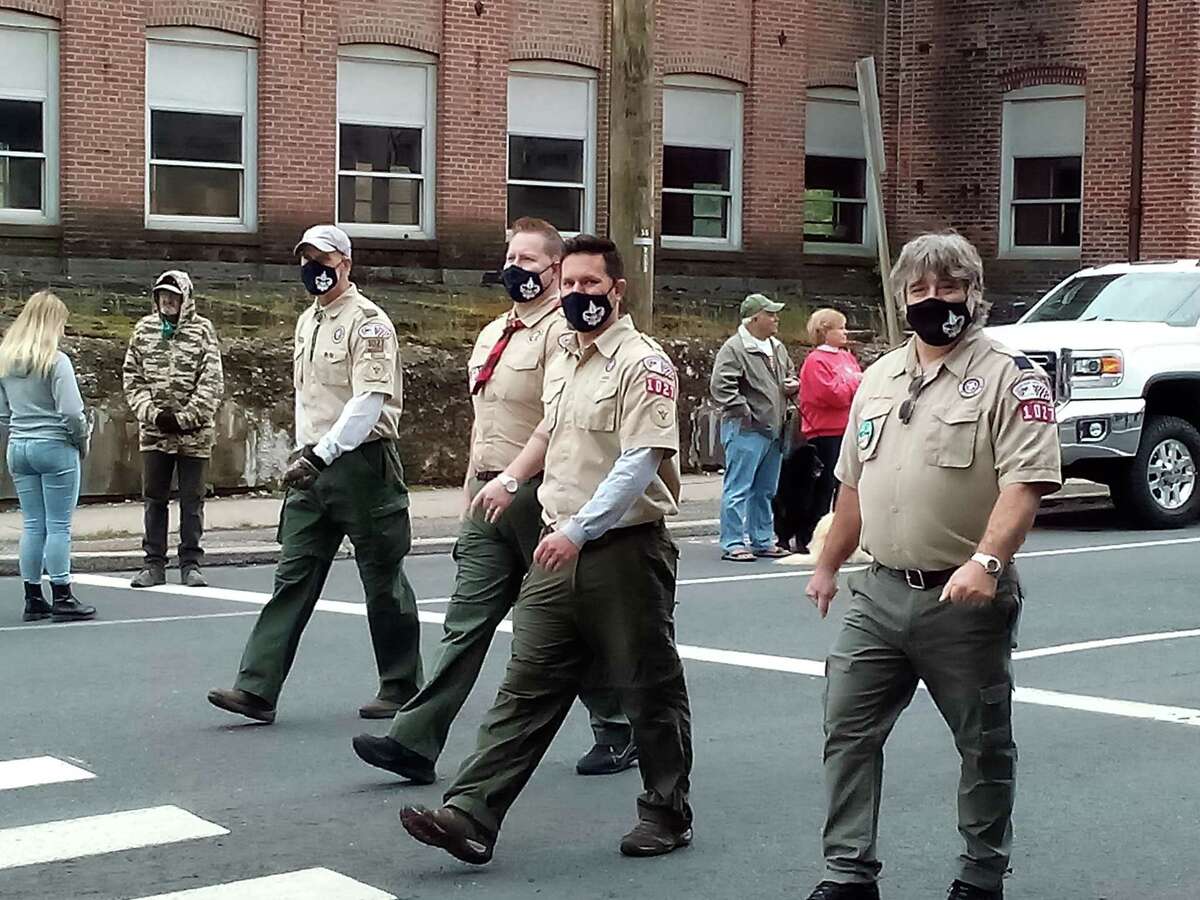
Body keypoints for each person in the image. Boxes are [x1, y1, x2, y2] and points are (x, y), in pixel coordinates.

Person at [398, 235, 692, 865]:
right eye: (572, 285)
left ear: (618, 290)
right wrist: (509, 480)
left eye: (592, 285)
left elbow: (639, 463)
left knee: (649, 690)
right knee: (525, 686)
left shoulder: (645, 365)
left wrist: (577, 530)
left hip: (622, 551)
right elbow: (546, 428)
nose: (580, 296)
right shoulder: (562, 354)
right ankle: (471, 813)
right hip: (557, 547)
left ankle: (667, 813)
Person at [802, 232, 1063, 900]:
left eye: (948, 287)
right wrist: (829, 563)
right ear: (901, 298)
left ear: (975, 294)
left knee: (981, 744)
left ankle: (980, 875)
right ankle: (847, 873)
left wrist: (987, 560)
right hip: (879, 591)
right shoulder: (880, 377)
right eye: (919, 290)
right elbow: (855, 486)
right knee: (847, 730)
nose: (933, 300)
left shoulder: (1012, 377)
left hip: (963, 597)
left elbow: (1024, 484)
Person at [351, 218, 633, 784]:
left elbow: (560, 423)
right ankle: (415, 741)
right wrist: (472, 494)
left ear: (556, 270)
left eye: (530, 261)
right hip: (490, 492)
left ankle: (617, 724)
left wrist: (517, 485)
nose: (516, 269)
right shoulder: (494, 335)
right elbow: (485, 426)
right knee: (466, 621)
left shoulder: (565, 335)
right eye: (512, 258)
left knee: (561, 623)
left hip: (537, 494)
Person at [207, 225, 423, 724]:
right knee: (293, 574)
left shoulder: (369, 324)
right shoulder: (308, 320)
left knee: (383, 577)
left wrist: (324, 453)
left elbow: (368, 403)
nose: (314, 269)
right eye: (306, 259)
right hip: (313, 464)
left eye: (324, 259)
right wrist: (309, 453)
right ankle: (257, 687)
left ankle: (401, 683)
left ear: (345, 264)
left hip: (362, 463)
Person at [123, 270, 224, 588]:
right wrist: (151, 414)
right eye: (162, 294)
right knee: (154, 499)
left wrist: (183, 419)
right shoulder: (143, 330)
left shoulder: (203, 331)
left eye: (174, 295)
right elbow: (131, 377)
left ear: (186, 298)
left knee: (192, 501)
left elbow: (212, 383)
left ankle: (191, 564)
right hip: (154, 435)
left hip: (194, 436)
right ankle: (153, 564)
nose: (167, 300)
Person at [0, 291, 95, 622]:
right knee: (58, 525)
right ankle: (63, 595)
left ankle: (32, 596)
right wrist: (81, 440)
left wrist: (14, 437)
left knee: (32, 523)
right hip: (54, 445)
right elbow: (71, 411)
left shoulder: (5, 360)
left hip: (19, 446)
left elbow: (2, 414)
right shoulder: (56, 361)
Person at [711, 294, 798, 561]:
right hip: (746, 429)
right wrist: (744, 411)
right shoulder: (735, 348)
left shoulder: (777, 347)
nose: (776, 319)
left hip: (774, 428)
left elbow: (790, 374)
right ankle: (733, 542)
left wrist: (793, 384)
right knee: (738, 487)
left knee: (765, 489)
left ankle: (762, 539)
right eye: (770, 314)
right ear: (754, 318)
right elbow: (721, 386)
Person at [792, 308, 862, 551]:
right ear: (824, 331)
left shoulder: (846, 357)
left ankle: (839, 535)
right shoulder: (816, 360)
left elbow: (859, 389)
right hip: (824, 430)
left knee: (846, 485)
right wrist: (852, 384)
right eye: (840, 328)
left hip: (847, 426)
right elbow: (833, 395)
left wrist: (850, 385)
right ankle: (810, 536)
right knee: (824, 487)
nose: (845, 333)